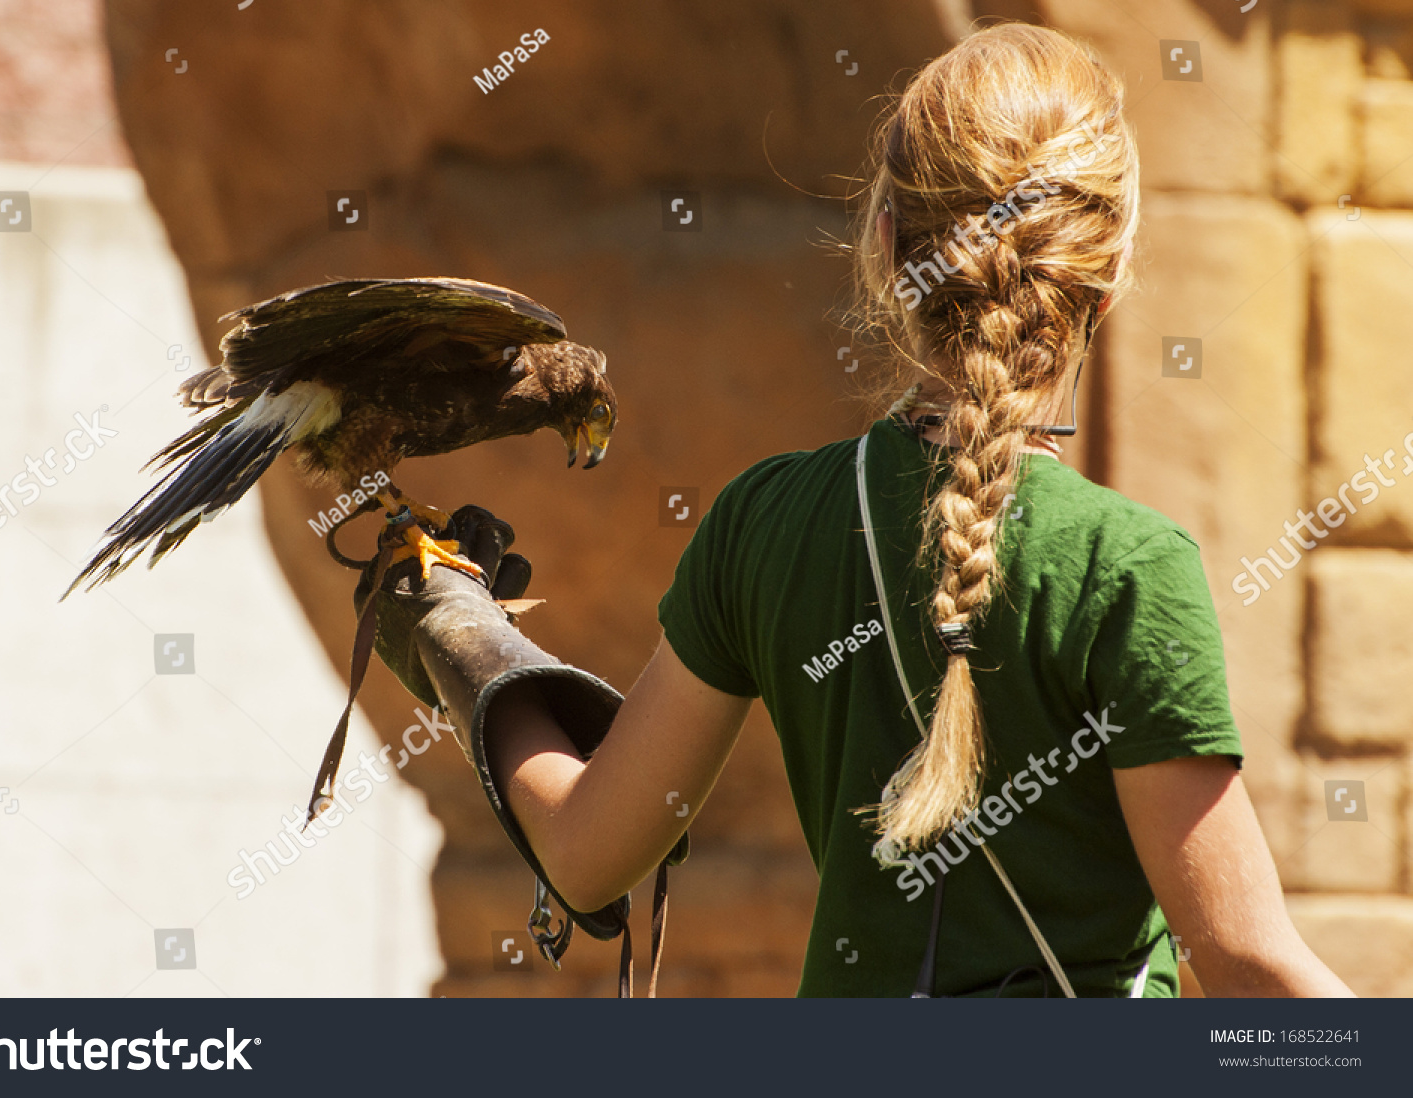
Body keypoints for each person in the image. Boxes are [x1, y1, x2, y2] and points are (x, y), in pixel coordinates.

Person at [362, 23, 1352, 997]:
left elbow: (583, 855)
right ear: (1115, 264)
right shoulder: (1130, 566)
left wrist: (469, 645)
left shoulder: (762, 522)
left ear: (885, 244)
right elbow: (1242, 962)